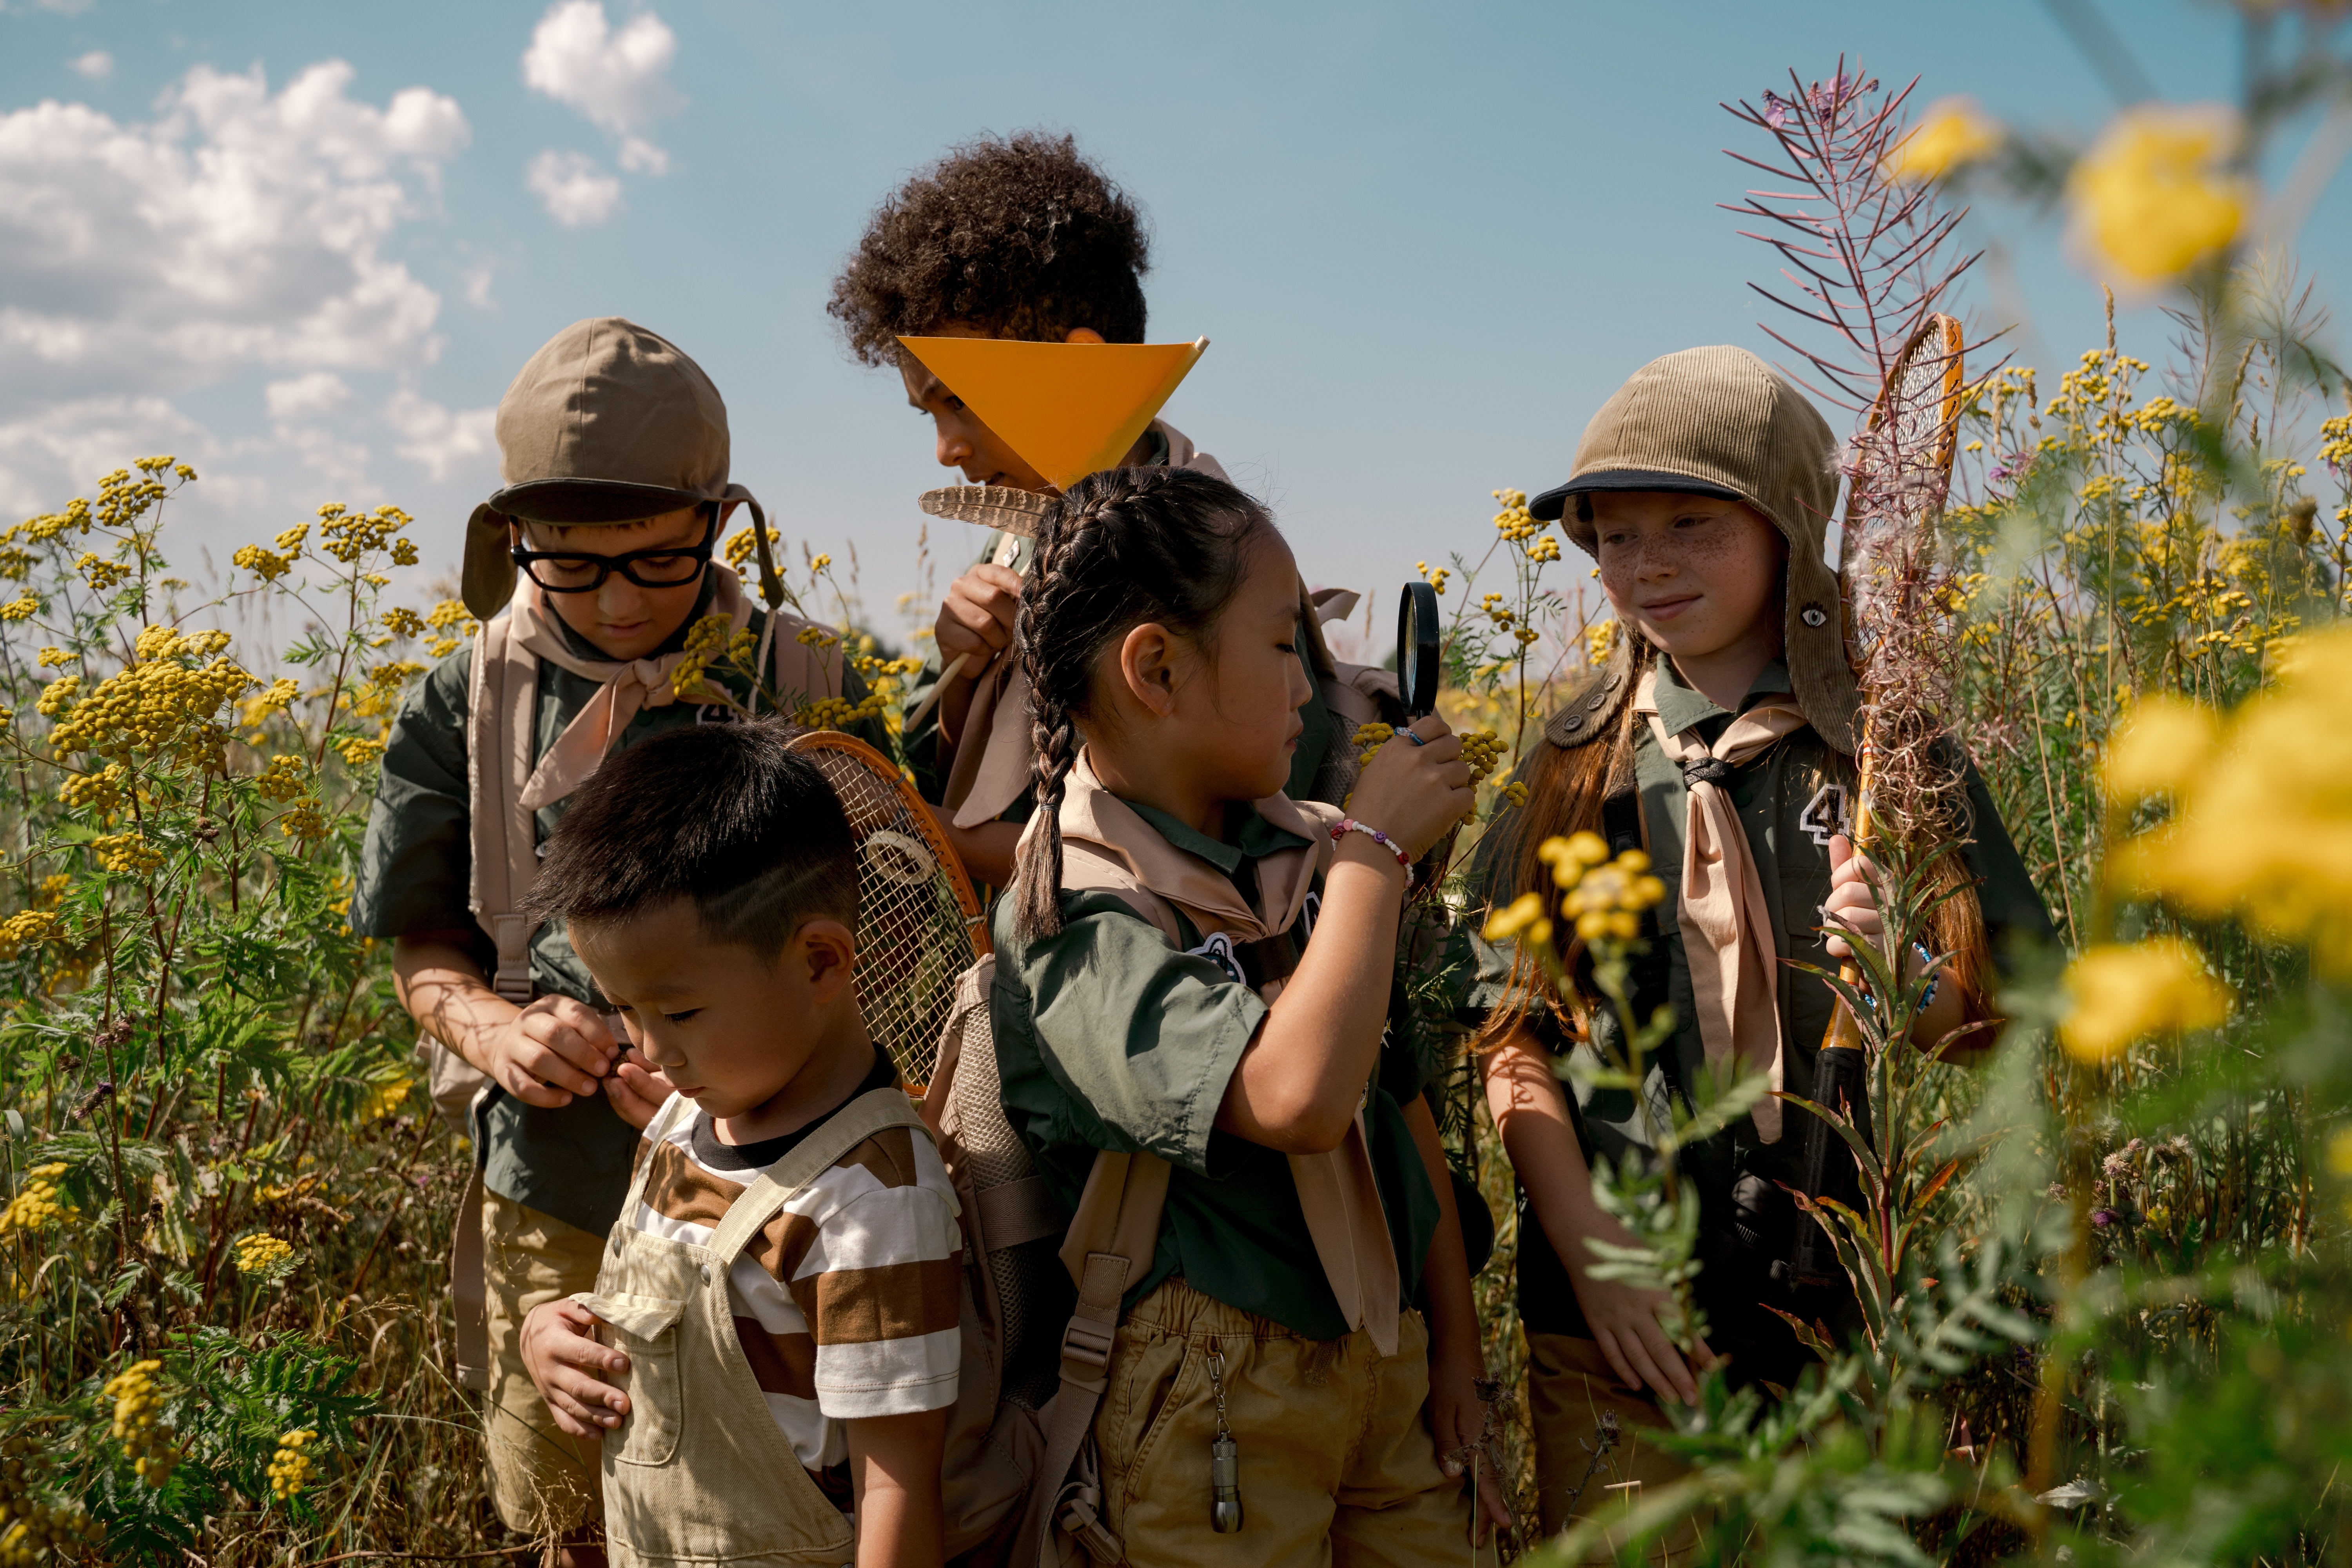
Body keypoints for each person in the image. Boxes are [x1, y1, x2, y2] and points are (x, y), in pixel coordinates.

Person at [1468, 346, 2054, 1550]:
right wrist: (1592, 1254)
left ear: (1788, 529)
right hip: (1617, 1319)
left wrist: (1908, 983)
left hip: (1835, 1302)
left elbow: (2006, 1016)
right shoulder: (1573, 760)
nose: (1649, 564)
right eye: (1615, 534)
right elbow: (1509, 1031)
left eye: (1693, 521)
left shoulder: (1889, 747)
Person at [352, 318, 869, 1563]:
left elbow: (896, 940)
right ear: (511, 538)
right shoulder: (464, 701)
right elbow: (420, 943)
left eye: (657, 562)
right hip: (560, 1191)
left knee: (781, 1512)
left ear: (720, 521)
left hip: (792, 1201)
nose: (622, 602)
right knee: (575, 1514)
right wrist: (495, 1027)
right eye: (572, 569)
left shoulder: (804, 680)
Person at [988, 464, 1509, 1566]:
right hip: (1207, 1409)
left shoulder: (1298, 852)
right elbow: (1296, 1097)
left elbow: (1395, 1106)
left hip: (1386, 1360)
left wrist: (1456, 1349)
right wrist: (1376, 855)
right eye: (1285, 648)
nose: (1314, 690)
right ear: (1157, 668)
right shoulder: (1075, 917)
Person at [828, 131, 1390, 890]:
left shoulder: (1210, 556)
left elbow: (1200, 861)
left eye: (958, 401)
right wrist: (962, 663)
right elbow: (959, 775)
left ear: (1079, 363)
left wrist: (920, 837)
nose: (945, 450)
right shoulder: (1015, 544)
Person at [513, 723, 962, 1568]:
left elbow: (898, 1487)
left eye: (678, 1013)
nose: (649, 1048)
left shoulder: (870, 1202)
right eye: (625, 1009)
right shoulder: (682, 1124)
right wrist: (552, 1329)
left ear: (822, 960)